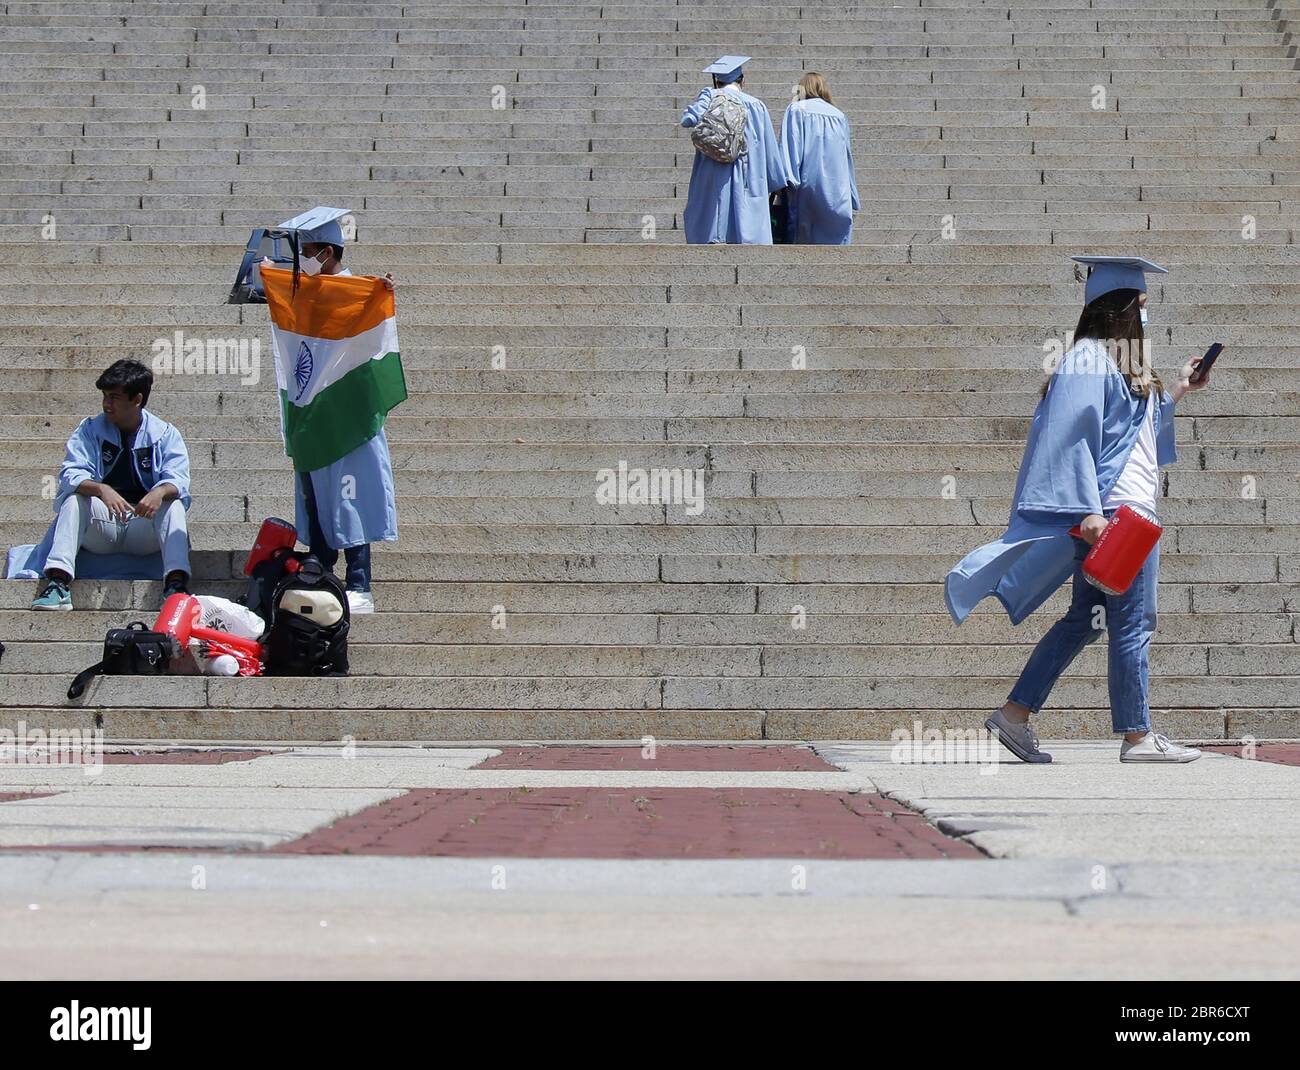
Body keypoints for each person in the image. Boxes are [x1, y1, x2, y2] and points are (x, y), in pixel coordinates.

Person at [945, 255, 1213, 764]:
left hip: (1122, 510)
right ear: (1124, 309)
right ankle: (1137, 736)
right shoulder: (1089, 358)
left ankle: (1014, 715)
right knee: (1134, 621)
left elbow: (1131, 439)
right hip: (1115, 516)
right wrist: (1089, 512)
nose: (1146, 316)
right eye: (1143, 305)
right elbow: (1069, 438)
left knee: (1084, 621)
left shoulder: (1113, 362)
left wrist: (1177, 388)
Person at [264, 206, 397, 615]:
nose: (302, 256)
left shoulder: (355, 290)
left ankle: (360, 582)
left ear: (327, 251)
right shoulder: (300, 290)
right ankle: (320, 566)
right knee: (314, 493)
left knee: (350, 496)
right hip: (310, 408)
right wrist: (265, 271)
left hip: (347, 412)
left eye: (308, 249)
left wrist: (379, 292)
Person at [16, 359, 191, 610]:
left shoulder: (165, 433)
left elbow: (180, 480)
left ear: (137, 399)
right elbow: (70, 475)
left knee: (172, 505)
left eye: (114, 397)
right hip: (103, 526)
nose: (106, 404)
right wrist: (101, 489)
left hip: (143, 527)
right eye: (105, 396)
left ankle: (175, 587)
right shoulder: (89, 429)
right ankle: (58, 584)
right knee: (74, 500)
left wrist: (160, 491)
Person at [680, 55, 790, 244]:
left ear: (716, 81)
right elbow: (769, 148)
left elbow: (687, 120)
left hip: (712, 171)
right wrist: (777, 182)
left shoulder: (711, 97)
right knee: (746, 211)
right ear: (742, 80)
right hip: (748, 172)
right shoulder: (756, 105)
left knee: (714, 211)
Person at [780, 72, 860, 244]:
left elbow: (792, 145)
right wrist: (852, 192)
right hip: (838, 187)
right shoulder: (839, 115)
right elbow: (847, 155)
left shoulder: (796, 109)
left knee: (805, 238)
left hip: (809, 181)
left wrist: (788, 179)